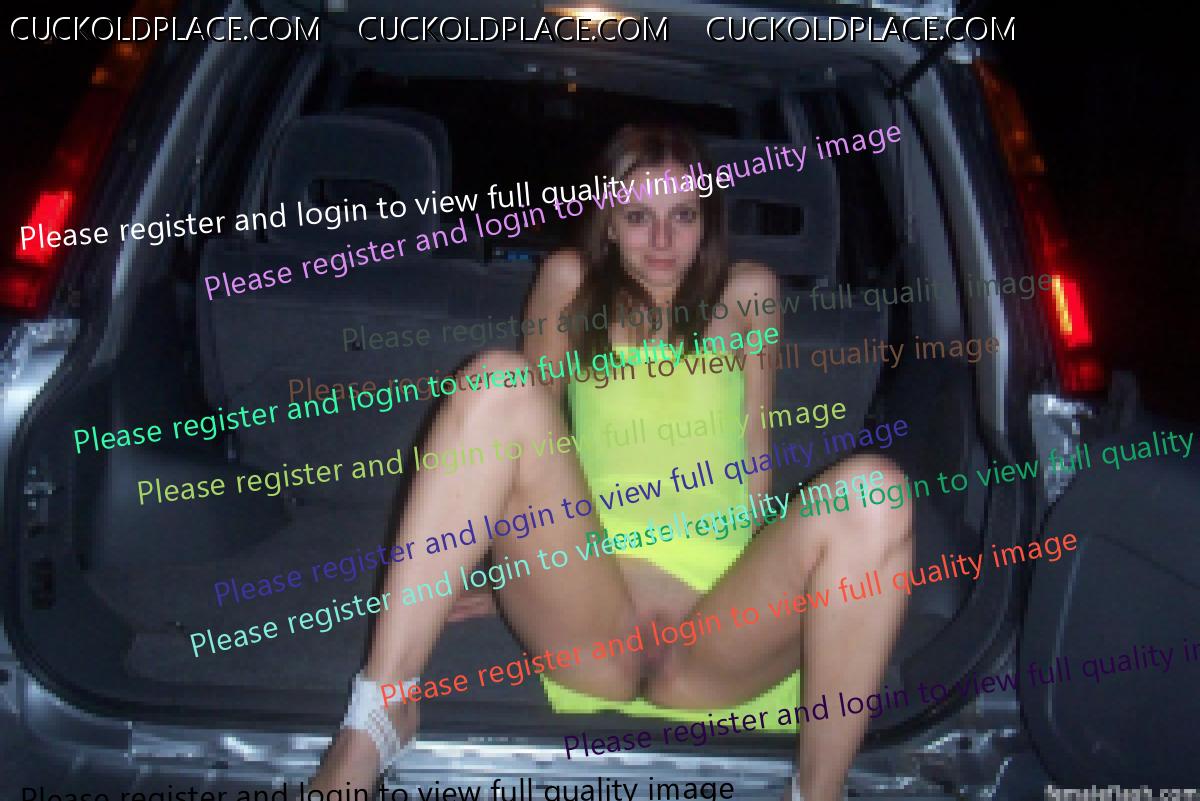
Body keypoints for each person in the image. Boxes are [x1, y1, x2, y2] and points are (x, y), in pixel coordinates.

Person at [309, 125, 913, 801]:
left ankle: (819, 792)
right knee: (496, 381)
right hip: (590, 611)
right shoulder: (568, 283)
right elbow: (516, 446)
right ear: (608, 220)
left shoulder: (751, 292)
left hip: (720, 635)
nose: (662, 240)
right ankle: (377, 718)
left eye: (683, 215)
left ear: (708, 221)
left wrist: (799, 582)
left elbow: (754, 455)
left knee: (876, 492)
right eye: (637, 217)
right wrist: (496, 573)